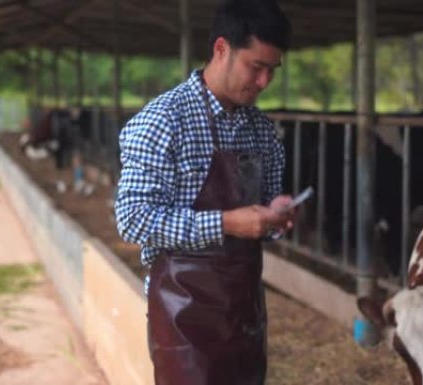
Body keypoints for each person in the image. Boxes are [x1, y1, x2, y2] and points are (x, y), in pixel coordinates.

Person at [114, 0, 294, 384]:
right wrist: (227, 223)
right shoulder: (163, 121)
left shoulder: (261, 130)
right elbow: (133, 220)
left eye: (271, 70)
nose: (263, 82)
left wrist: (279, 214)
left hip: (246, 311)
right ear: (221, 49)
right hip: (183, 315)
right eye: (255, 67)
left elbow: (269, 214)